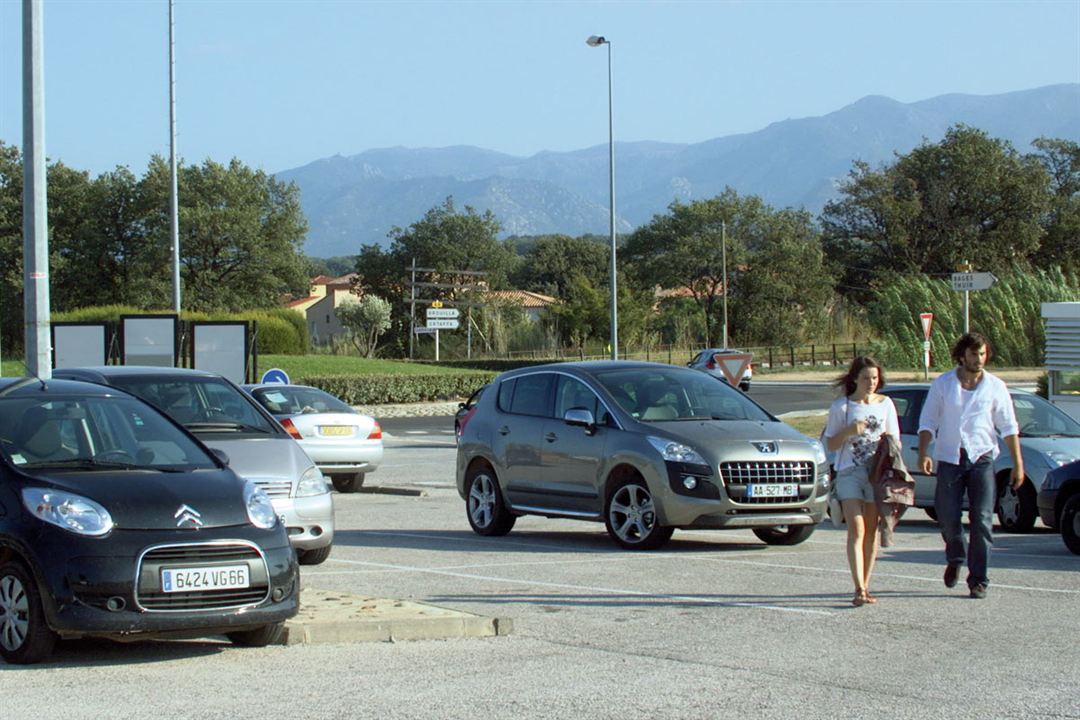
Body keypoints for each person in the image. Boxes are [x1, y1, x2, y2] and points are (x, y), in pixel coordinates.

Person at [917, 333, 1022, 599]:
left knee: (983, 521)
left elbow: (1009, 427)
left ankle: (979, 580)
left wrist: (1018, 464)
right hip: (950, 458)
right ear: (962, 355)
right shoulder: (943, 384)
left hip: (982, 459)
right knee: (948, 517)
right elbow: (928, 421)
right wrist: (924, 452)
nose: (979, 359)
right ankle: (955, 557)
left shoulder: (995, 386)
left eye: (983, 354)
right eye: (974, 354)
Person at [823, 356, 900, 606]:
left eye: (875, 378)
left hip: (876, 473)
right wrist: (847, 432)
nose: (871, 383)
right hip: (849, 472)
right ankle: (858, 588)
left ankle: (866, 585)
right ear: (855, 378)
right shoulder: (842, 407)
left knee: (871, 530)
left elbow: (895, 440)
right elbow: (830, 444)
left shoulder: (886, 404)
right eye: (866, 378)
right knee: (856, 528)